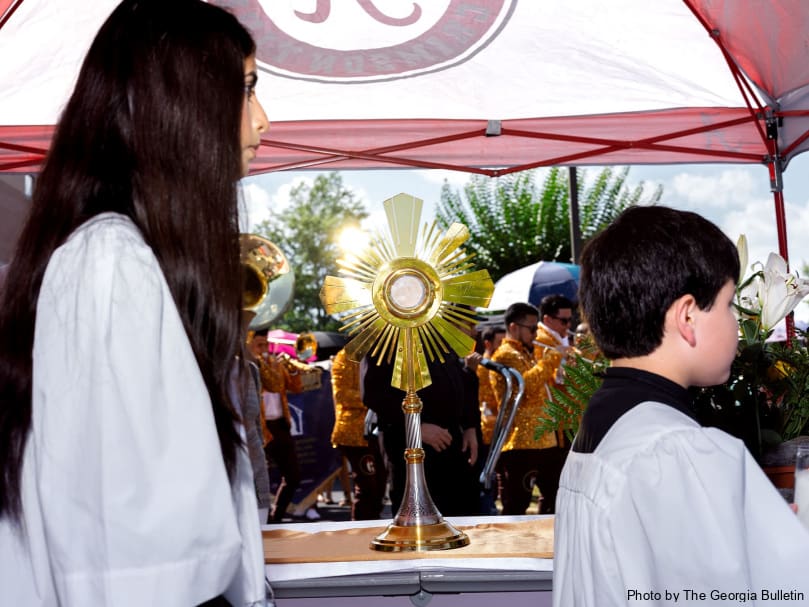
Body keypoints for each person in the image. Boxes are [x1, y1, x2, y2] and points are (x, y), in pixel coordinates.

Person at [0, 1, 270, 605]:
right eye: (246, 90)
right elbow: (133, 556)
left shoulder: (126, 257)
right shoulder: (111, 263)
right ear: (183, 103)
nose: (263, 120)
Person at [553, 206, 809, 606]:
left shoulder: (603, 426)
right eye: (728, 305)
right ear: (687, 315)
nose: (735, 323)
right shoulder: (677, 451)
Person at [361, 337, 482, 517]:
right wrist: (416, 426)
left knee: (461, 516)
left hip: (452, 445)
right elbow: (374, 393)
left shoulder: (437, 330)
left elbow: (456, 380)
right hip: (410, 447)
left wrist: (470, 425)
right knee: (417, 525)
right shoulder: (384, 333)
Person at [490, 302, 562, 514]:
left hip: (545, 441)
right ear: (514, 328)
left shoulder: (527, 354)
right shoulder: (505, 355)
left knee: (555, 500)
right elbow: (526, 387)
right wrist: (552, 358)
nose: (535, 334)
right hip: (521, 444)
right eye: (532, 329)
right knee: (516, 505)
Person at [248, 329, 315, 523]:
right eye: (259, 345)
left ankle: (275, 518)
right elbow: (272, 385)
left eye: (265, 344)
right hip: (259, 426)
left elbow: (295, 387)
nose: (264, 349)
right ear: (249, 345)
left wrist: (293, 367)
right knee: (259, 478)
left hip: (279, 425)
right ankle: (259, 518)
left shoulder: (274, 363)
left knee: (293, 476)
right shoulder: (250, 365)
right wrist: (260, 360)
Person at [330, 348, 386, 520]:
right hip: (353, 434)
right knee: (366, 485)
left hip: (372, 432)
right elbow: (342, 395)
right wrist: (372, 398)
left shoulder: (378, 355)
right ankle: (360, 527)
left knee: (380, 482)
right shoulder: (344, 357)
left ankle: (373, 524)